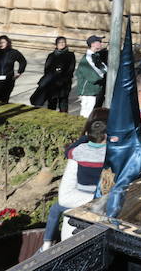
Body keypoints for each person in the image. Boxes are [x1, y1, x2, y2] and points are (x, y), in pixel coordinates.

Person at [41, 119, 107, 250]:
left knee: (55, 208)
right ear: (105, 136)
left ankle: (47, 243)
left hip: (79, 194)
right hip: (96, 195)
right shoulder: (108, 153)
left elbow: (68, 152)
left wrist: (84, 138)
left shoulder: (79, 151)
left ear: (89, 134)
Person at [31, 37, 76, 113]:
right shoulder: (51, 55)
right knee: (51, 104)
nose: (62, 44)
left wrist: (62, 79)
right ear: (56, 44)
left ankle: (63, 120)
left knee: (63, 103)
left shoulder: (70, 55)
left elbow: (71, 69)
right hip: (52, 84)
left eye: (63, 42)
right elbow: (47, 69)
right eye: (59, 42)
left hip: (64, 84)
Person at [75, 35, 107, 118]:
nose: (101, 43)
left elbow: (105, 69)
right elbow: (96, 75)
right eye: (99, 42)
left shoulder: (96, 56)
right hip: (88, 92)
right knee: (86, 116)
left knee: (93, 116)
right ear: (93, 44)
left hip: (95, 91)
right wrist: (106, 74)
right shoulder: (87, 58)